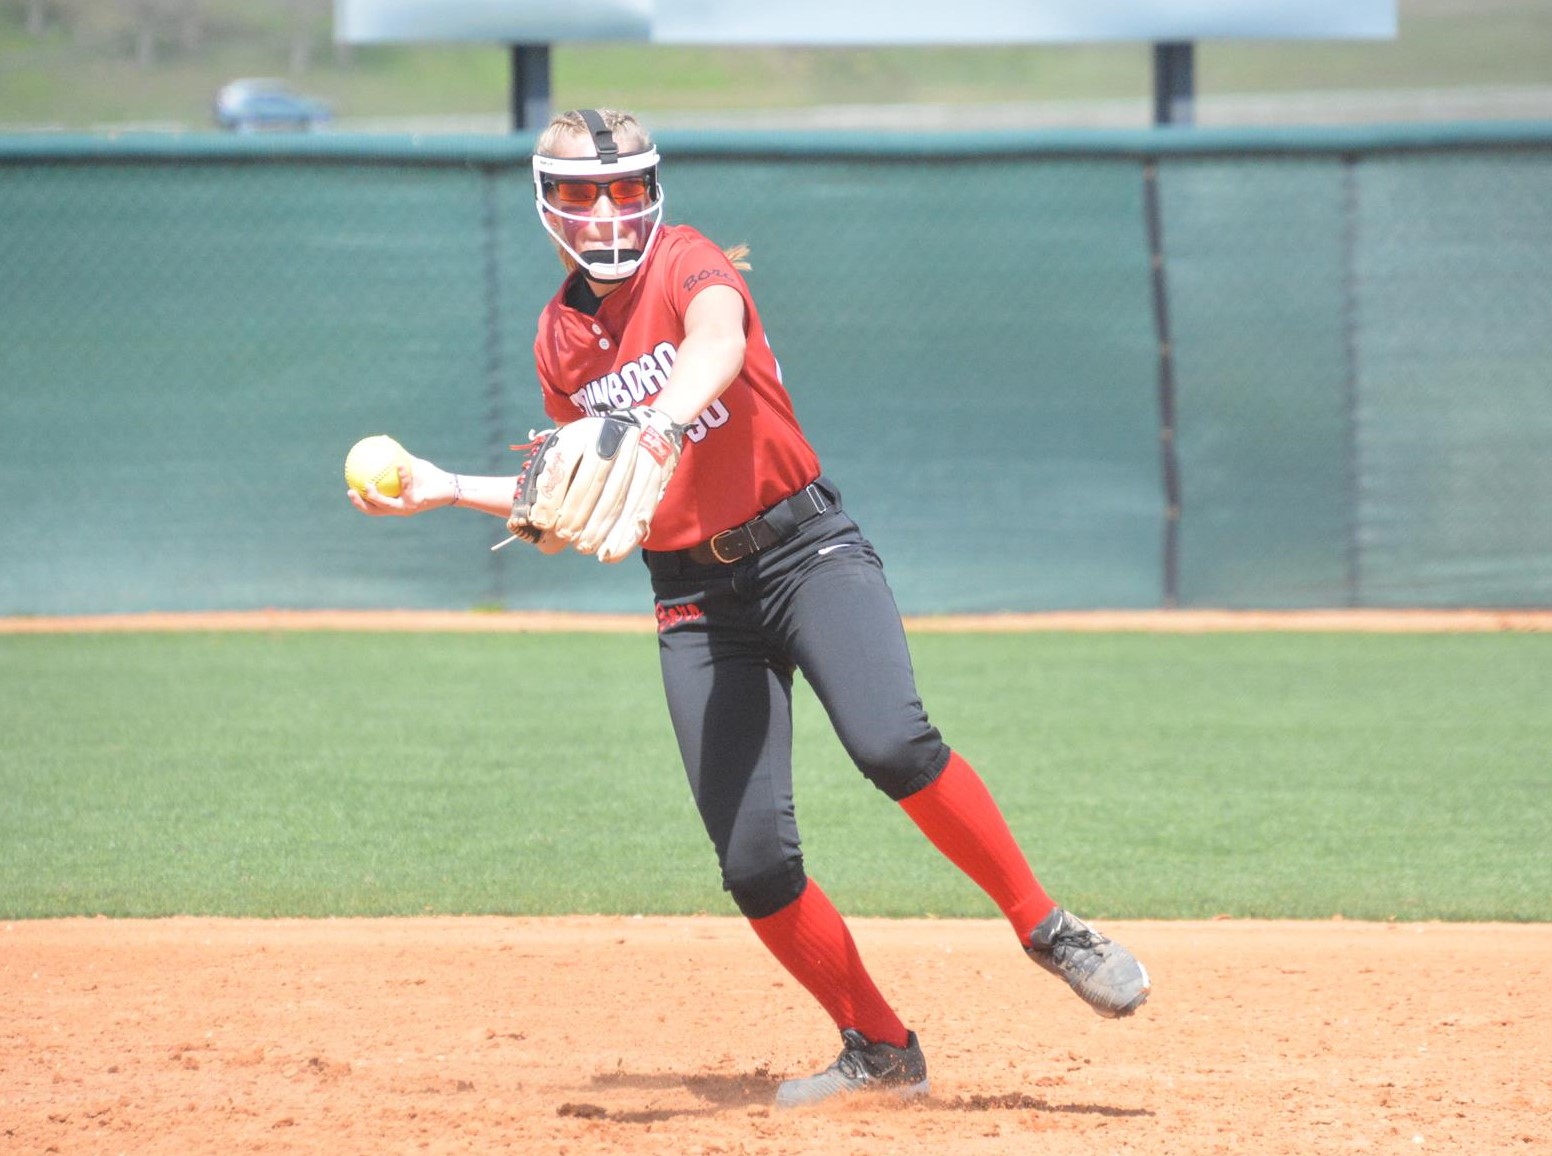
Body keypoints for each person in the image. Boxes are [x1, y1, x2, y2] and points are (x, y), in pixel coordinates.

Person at [347, 108, 1149, 1109]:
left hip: (805, 548)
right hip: (692, 596)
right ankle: (879, 1045)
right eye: (586, 193)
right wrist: (442, 485)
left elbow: (716, 340)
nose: (610, 211)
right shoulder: (561, 338)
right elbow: (572, 500)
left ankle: (1045, 925)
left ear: (658, 193)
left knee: (892, 744)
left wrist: (658, 422)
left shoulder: (687, 263)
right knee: (754, 862)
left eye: (630, 186)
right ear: (547, 205)